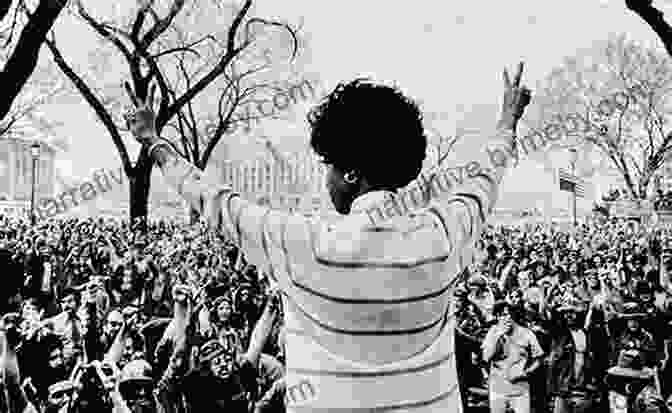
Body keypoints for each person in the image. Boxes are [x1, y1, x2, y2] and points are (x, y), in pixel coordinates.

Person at [123, 62, 532, 412]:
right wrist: (507, 119)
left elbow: (214, 199)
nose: (327, 178)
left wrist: (153, 140)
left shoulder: (303, 243)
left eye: (330, 165)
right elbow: (485, 178)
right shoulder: (443, 234)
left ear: (351, 173)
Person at [482, 300, 545, 413]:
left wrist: (527, 372)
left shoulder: (527, 333)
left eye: (510, 313)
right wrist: (499, 336)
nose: (508, 317)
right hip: (498, 389)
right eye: (503, 315)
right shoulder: (492, 332)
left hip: (520, 390)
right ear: (497, 317)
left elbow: (539, 358)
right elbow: (486, 358)